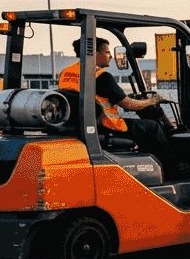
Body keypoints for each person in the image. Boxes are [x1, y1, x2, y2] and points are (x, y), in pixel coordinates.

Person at [59, 37, 183, 175]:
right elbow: (128, 104)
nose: (110, 56)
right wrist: (151, 101)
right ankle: (174, 168)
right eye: (106, 52)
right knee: (152, 127)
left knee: (143, 126)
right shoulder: (100, 76)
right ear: (94, 53)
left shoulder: (66, 72)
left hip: (81, 125)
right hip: (107, 125)